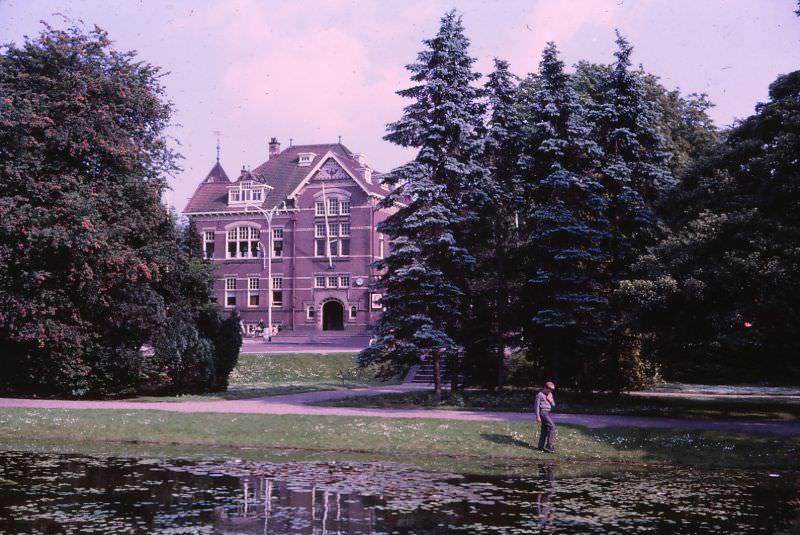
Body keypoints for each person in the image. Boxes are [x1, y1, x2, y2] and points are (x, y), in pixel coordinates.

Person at [534, 381, 556, 452]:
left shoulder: (550, 394)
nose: (550, 391)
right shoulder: (539, 395)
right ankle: (549, 445)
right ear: (545, 388)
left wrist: (550, 399)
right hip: (543, 413)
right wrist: (538, 416)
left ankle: (540, 446)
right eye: (549, 389)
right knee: (552, 426)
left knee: (544, 429)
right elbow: (536, 406)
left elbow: (553, 405)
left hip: (548, 413)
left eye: (552, 390)